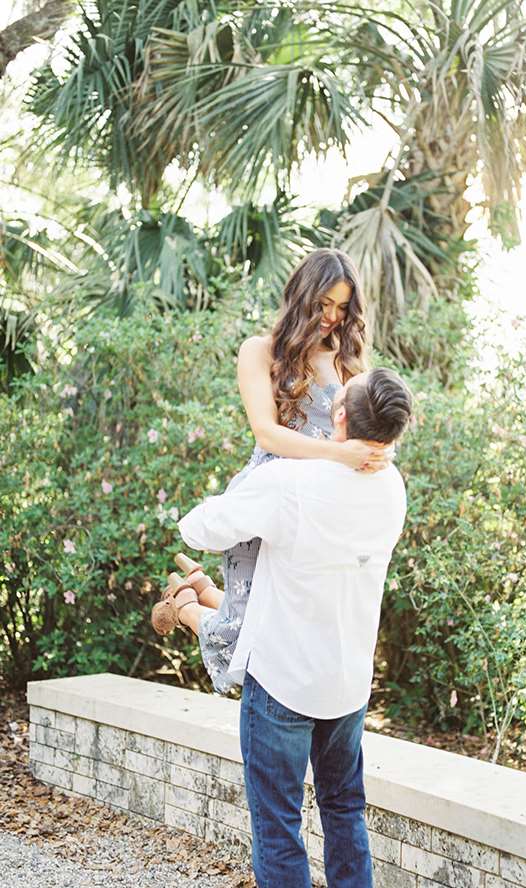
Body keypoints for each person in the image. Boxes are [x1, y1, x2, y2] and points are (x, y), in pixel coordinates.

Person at [171, 367, 413, 888]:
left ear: (339, 414)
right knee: (345, 810)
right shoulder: (394, 488)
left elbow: (198, 529)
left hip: (283, 682)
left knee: (279, 826)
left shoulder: (292, 482)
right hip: (347, 685)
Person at [150, 248, 393, 691]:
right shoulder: (260, 352)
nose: (332, 317)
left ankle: (201, 587)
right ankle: (187, 604)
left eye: (341, 307)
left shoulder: (348, 361)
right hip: (266, 498)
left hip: (319, 506)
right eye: (323, 304)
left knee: (284, 625)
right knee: (244, 630)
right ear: (303, 296)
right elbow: (267, 434)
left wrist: (379, 455)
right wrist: (342, 456)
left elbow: (366, 427)